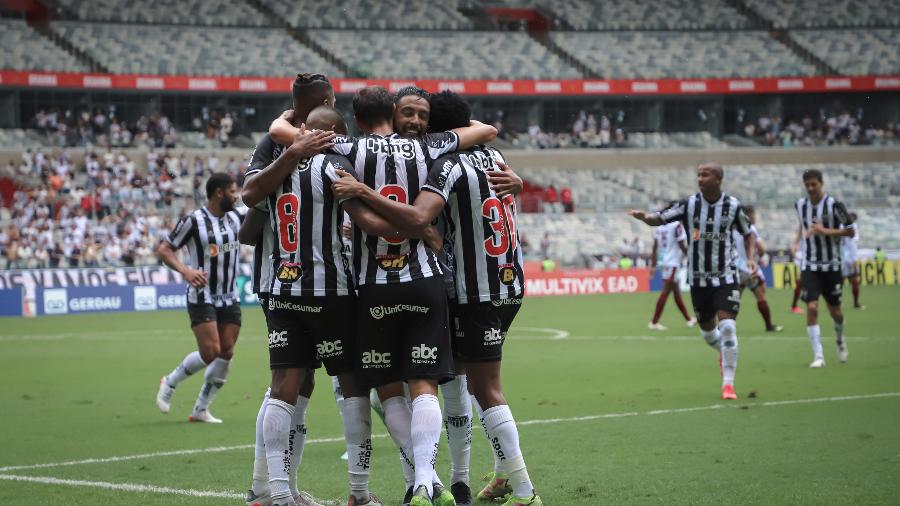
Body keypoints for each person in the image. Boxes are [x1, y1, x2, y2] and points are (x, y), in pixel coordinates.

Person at [272, 86, 496, 506]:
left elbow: (285, 134)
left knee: (389, 390)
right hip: (425, 280)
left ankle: (420, 478)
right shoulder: (431, 146)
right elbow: (484, 130)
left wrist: (286, 121)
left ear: (357, 121)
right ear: (394, 113)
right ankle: (430, 478)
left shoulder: (347, 149)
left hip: (373, 287)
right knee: (425, 382)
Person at [331, 90, 541, 506]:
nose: (417, 124)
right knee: (461, 380)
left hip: (469, 289)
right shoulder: (495, 158)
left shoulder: (445, 162)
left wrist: (362, 199)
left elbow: (420, 218)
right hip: (509, 283)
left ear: (439, 128)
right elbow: (495, 156)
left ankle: (514, 489)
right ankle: (492, 476)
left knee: (479, 387)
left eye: (424, 117)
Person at [629, 163, 755, 400]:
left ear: (718, 179)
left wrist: (749, 260)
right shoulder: (689, 205)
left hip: (726, 276)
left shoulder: (733, 206)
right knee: (708, 334)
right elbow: (661, 218)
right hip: (698, 280)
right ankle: (725, 351)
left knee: (727, 327)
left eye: (705, 174)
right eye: (698, 174)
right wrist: (645, 217)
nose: (699, 179)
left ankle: (728, 385)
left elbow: (748, 233)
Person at [155, 173, 245, 423]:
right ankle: (170, 381)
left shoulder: (237, 216)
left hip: (229, 295)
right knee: (210, 351)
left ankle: (200, 409)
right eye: (232, 191)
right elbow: (164, 249)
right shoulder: (194, 221)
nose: (235, 195)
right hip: (202, 294)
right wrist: (185, 270)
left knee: (226, 351)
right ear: (219, 193)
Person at [793, 169, 853, 368]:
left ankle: (840, 339)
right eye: (807, 185)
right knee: (811, 306)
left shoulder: (835, 205)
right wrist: (796, 241)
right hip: (810, 265)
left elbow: (850, 231)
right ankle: (818, 355)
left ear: (821, 183)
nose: (810, 188)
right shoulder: (800, 205)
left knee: (836, 311)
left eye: (814, 184)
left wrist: (824, 231)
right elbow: (801, 225)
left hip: (833, 265)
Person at [733, 206, 783, 332]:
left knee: (733, 300)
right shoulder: (750, 228)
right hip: (748, 268)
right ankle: (769, 326)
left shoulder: (732, 229)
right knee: (761, 296)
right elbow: (761, 248)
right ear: (749, 216)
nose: (756, 217)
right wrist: (760, 256)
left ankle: (723, 326)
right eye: (754, 215)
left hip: (735, 268)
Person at [647, 219, 696, 330]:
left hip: (664, 262)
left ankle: (689, 319)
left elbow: (655, 247)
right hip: (673, 262)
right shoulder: (676, 225)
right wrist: (692, 257)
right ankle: (654, 322)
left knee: (676, 292)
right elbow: (681, 244)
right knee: (666, 291)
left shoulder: (659, 228)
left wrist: (653, 265)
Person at [841, 212, 863, 309]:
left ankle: (855, 303)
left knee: (844, 281)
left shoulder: (841, 226)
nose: (851, 219)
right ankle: (855, 303)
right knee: (852, 280)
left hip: (844, 258)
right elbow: (853, 241)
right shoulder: (852, 227)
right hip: (847, 258)